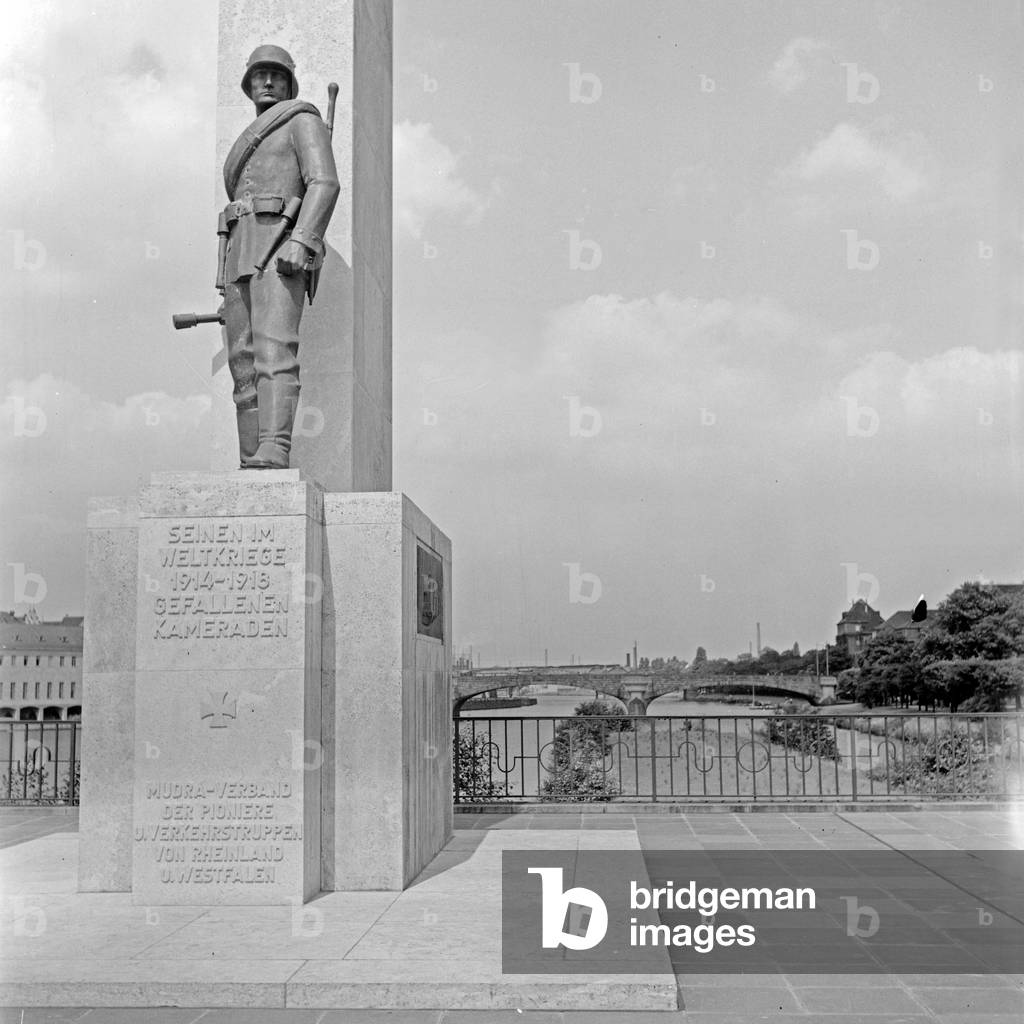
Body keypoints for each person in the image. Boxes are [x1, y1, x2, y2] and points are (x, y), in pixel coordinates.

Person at [218, 45, 340, 468]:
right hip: (239, 252)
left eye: (275, 75)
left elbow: (324, 183)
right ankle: (250, 454)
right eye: (258, 75)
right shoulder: (250, 139)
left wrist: (302, 240)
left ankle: (275, 446)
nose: (267, 82)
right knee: (242, 363)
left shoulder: (303, 120)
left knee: (275, 351)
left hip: (279, 246)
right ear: (248, 84)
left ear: (289, 83)